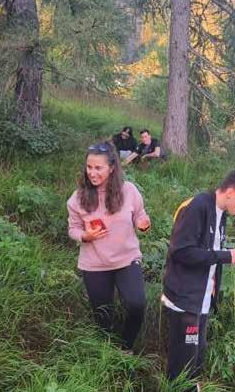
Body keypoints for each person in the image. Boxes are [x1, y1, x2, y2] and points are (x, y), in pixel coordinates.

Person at [161, 170, 235, 388]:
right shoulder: (197, 207)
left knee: (197, 356)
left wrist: (233, 256)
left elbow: (209, 250)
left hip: (202, 297)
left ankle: (190, 386)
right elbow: (181, 251)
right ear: (231, 192)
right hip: (184, 298)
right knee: (183, 362)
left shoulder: (221, 212)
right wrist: (227, 256)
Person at [67, 141, 151, 351]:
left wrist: (143, 223)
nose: (92, 173)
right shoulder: (77, 198)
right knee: (103, 315)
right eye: (89, 167)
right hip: (94, 264)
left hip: (126, 259)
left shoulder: (128, 190)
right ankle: (107, 351)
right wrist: (85, 236)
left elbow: (140, 215)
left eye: (98, 168)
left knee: (136, 304)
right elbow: (73, 229)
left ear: (112, 168)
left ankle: (126, 346)